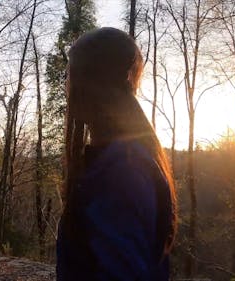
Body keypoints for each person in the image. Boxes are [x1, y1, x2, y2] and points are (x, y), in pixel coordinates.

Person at [56, 27, 178, 281]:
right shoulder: (117, 162)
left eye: (70, 75)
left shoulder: (122, 173)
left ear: (90, 85)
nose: (66, 85)